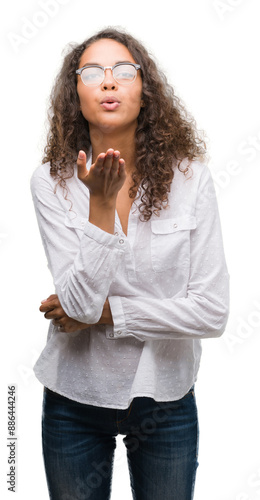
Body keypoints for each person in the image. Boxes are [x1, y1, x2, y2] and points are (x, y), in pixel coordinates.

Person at [31, 27, 229, 500]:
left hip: (167, 399)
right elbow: (77, 307)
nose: (108, 82)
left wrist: (111, 314)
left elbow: (212, 312)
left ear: (145, 90)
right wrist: (100, 205)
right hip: (74, 399)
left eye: (123, 70)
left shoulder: (191, 180)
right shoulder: (51, 183)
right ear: (73, 93)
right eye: (92, 72)